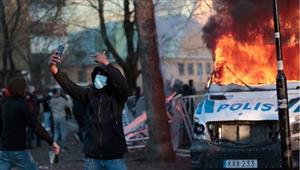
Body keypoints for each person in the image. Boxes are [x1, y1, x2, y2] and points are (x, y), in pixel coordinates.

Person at [49, 51, 129, 170]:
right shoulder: (88, 95)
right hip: (92, 157)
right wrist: (53, 67)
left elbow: (123, 84)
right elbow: (69, 86)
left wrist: (107, 63)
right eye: (97, 76)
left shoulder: (117, 98)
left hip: (114, 157)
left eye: (102, 76)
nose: (98, 79)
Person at [0, 77, 60, 170]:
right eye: (24, 87)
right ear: (21, 89)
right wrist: (51, 141)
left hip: (4, 149)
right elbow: (35, 126)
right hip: (19, 149)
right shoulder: (22, 104)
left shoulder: (4, 104)